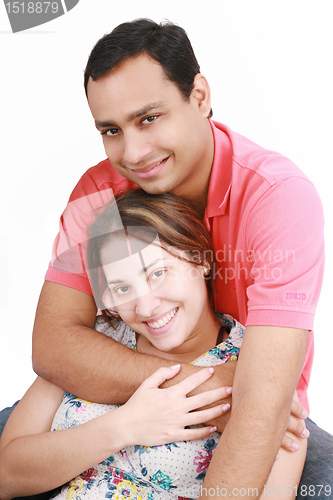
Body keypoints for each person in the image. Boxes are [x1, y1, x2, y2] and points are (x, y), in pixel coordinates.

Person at [0, 17, 331, 499]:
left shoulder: (278, 199)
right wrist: (197, 392)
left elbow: (263, 401)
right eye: (111, 130)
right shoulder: (98, 193)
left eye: (148, 118)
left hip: (251, 416)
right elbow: (53, 347)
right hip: (146, 397)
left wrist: (229, 401)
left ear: (199, 97)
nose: (132, 152)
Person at [0, 190, 307, 500]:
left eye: (158, 273)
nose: (145, 307)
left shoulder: (255, 369)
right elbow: (6, 475)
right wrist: (123, 427)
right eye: (122, 288)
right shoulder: (93, 343)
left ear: (200, 259)